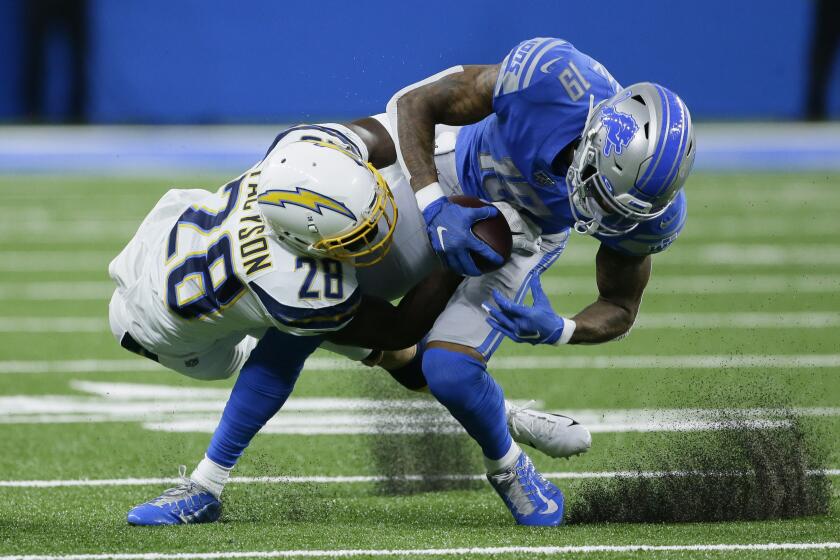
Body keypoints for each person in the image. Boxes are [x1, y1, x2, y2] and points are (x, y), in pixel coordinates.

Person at [112, 119, 592, 526]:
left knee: (388, 357)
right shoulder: (292, 286)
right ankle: (204, 487)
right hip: (170, 335)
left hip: (179, 224)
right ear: (309, 244)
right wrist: (453, 259)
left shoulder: (301, 154)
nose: (383, 226)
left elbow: (382, 133)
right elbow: (401, 329)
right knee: (297, 343)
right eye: (362, 231)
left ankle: (500, 420)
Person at [381, 36, 695, 526]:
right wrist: (431, 203)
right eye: (604, 193)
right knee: (340, 283)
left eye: (620, 209)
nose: (602, 214)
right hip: (450, 170)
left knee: (449, 371)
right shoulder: (552, 80)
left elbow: (620, 303)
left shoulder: (647, 213)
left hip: (524, 231)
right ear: (596, 139)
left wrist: (561, 329)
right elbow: (415, 103)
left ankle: (508, 469)